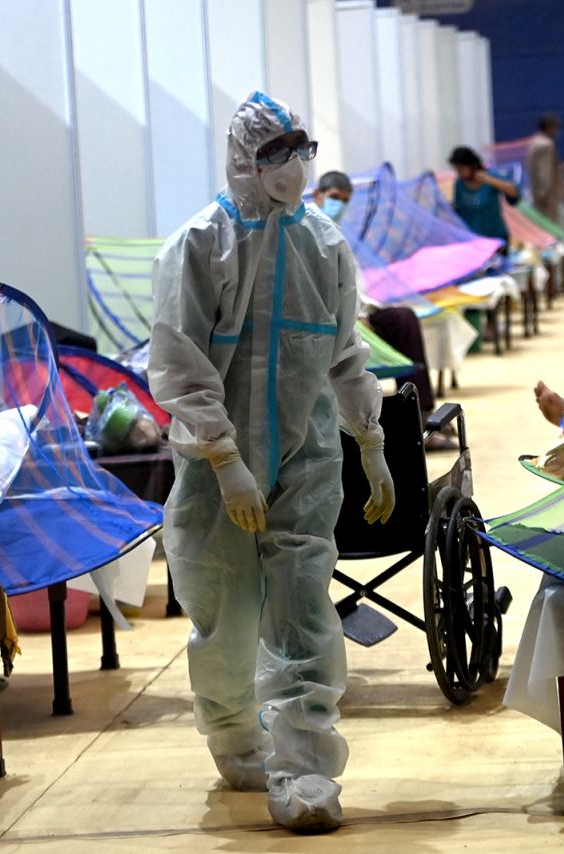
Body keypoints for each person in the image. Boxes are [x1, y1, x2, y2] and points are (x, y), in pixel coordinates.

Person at [148, 91, 395, 834]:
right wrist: (224, 459)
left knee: (301, 599)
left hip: (306, 455)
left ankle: (303, 767)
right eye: (277, 153)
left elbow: (346, 351)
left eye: (301, 150)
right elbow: (180, 361)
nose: (294, 167)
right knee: (224, 607)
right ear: (245, 163)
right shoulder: (199, 245)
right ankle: (234, 735)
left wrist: (371, 442)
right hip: (215, 467)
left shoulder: (323, 243)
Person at [312, 170, 452, 449]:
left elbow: (354, 284)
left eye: (345, 200)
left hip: (358, 312)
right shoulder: (307, 232)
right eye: (334, 198)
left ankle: (422, 417)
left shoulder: (335, 231)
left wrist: (364, 312)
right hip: (332, 318)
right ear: (318, 196)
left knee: (404, 319)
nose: (338, 205)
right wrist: (352, 316)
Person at [448, 146, 520, 252]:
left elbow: (514, 192)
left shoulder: (490, 177)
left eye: (461, 169)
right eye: (457, 169)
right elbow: (458, 209)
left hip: (495, 238)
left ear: (471, 166)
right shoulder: (459, 184)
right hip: (473, 241)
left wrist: (490, 180)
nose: (459, 173)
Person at [525, 112, 564, 226]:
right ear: (550, 127)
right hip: (549, 201)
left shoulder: (534, 142)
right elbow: (544, 176)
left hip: (539, 198)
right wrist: (546, 199)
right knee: (554, 234)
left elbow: (545, 170)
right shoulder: (546, 145)